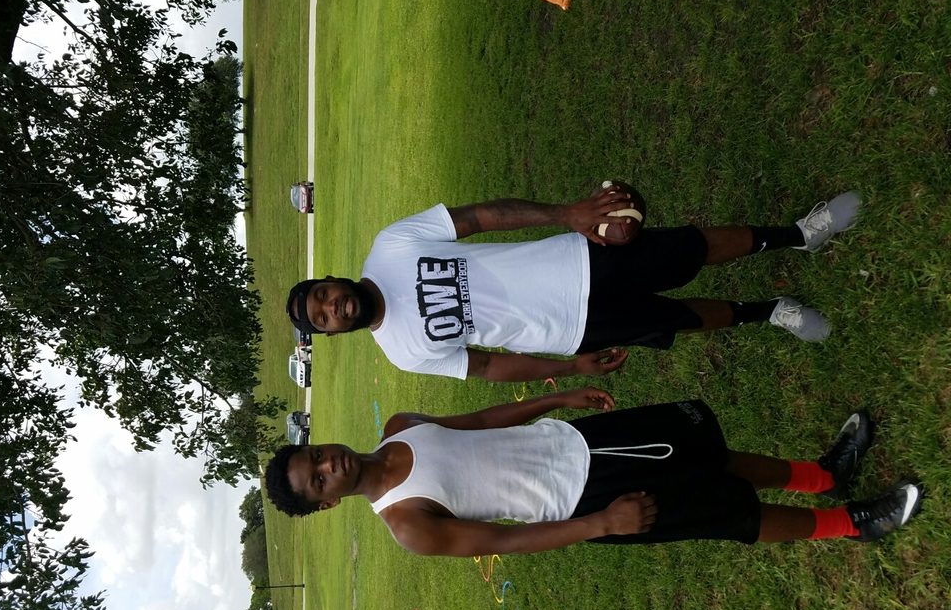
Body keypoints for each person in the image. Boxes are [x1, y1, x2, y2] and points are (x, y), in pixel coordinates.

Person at [286, 186, 861, 381]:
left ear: (330, 279)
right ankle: (772, 311)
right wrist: (568, 368)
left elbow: (480, 218)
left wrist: (568, 214)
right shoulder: (402, 352)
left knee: (691, 250)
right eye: (323, 318)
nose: (332, 308)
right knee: (677, 319)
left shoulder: (390, 246)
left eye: (322, 296)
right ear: (331, 333)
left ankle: (798, 234)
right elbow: (485, 367)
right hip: (568, 330)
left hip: (573, 262)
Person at [263, 387, 922, 555]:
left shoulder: (398, 427)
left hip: (580, 440)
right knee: (731, 510)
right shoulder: (407, 524)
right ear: (327, 502)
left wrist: (557, 398)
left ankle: (823, 475)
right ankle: (851, 524)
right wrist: (601, 524)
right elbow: (507, 541)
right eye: (318, 481)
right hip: (585, 497)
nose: (328, 465)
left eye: (314, 456)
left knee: (710, 456)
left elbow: (481, 421)